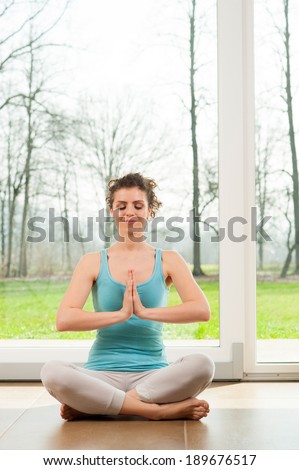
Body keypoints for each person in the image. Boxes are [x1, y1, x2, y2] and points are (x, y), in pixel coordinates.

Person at [41, 172, 215, 421]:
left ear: (150, 211)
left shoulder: (168, 259)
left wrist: (144, 312)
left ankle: (98, 404)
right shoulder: (92, 262)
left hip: (152, 375)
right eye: (121, 206)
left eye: (138, 205)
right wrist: (120, 315)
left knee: (203, 364)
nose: (129, 212)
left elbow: (201, 310)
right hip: (100, 373)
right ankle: (155, 411)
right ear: (112, 211)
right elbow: (64, 320)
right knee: (52, 371)